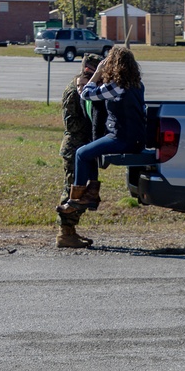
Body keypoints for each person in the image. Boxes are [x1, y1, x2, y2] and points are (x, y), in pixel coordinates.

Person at [56, 45, 146, 215]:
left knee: (82, 153)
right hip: (137, 139)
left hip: (121, 138)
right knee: (91, 150)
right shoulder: (137, 85)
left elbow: (87, 94)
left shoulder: (116, 86)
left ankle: (77, 199)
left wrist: (97, 73)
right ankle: (91, 194)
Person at [56, 53, 106, 248]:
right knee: (72, 191)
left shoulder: (79, 85)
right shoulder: (78, 89)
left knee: (81, 191)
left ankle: (70, 231)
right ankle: (65, 234)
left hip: (80, 145)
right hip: (75, 145)